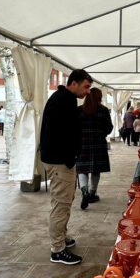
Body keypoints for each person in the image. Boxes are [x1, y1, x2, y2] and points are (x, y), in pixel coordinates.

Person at [40, 69, 92, 265]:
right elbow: (62, 134)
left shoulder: (66, 99)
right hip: (59, 160)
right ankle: (57, 250)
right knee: (61, 204)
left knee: (65, 200)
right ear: (74, 83)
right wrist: (72, 155)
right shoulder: (62, 100)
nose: (87, 91)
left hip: (62, 159)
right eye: (86, 87)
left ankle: (62, 237)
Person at [76, 87, 113, 210]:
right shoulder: (103, 110)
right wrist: (102, 133)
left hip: (82, 144)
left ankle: (84, 192)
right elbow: (109, 127)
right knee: (96, 170)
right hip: (98, 144)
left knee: (82, 170)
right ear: (99, 97)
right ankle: (92, 193)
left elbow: (73, 127)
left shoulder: (79, 110)